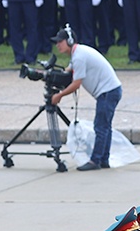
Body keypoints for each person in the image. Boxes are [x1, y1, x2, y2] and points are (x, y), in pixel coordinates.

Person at [49, 27, 123, 171]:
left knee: (100, 127)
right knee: (105, 126)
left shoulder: (79, 57)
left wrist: (59, 95)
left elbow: (76, 84)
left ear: (70, 41)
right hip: (111, 90)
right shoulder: (77, 53)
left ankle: (95, 161)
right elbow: (68, 71)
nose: (57, 45)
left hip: (108, 92)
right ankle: (104, 159)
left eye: (60, 42)